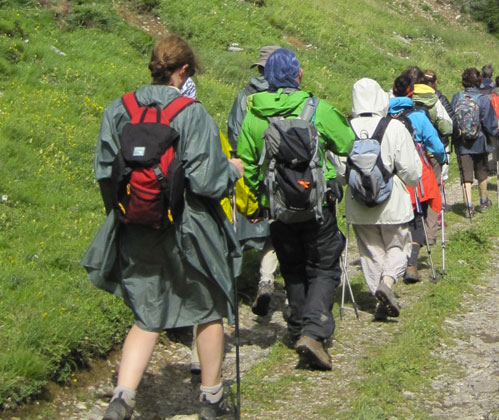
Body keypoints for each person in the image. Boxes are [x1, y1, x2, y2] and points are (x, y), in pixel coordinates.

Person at [83, 35, 242, 420]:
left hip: (136, 225)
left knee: (146, 312)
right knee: (208, 309)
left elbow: (106, 173)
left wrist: (124, 212)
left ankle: (123, 397)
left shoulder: (118, 110)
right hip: (191, 228)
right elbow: (206, 181)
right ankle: (211, 400)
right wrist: (231, 173)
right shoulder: (192, 113)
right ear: (183, 70)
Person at [237, 48, 355, 371]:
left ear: (267, 78)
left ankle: (297, 327)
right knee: (324, 265)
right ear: (298, 75)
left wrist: (261, 200)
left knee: (292, 267)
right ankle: (314, 332)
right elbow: (347, 143)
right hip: (318, 205)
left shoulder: (254, 114)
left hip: (278, 209)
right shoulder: (316, 108)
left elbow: (247, 165)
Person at [344, 77, 422, 320]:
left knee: (370, 251)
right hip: (392, 203)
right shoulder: (394, 127)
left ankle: (378, 295)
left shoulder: (345, 127)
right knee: (399, 245)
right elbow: (411, 172)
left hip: (358, 203)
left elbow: (338, 168)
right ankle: (387, 284)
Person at [226, 45, 281, 318]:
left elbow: (233, 133)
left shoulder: (244, 96)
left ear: (260, 69)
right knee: (276, 228)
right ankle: (266, 278)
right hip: (281, 171)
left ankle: (230, 287)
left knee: (242, 224)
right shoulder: (287, 97)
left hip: (248, 171)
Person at [388, 75, 445, 283]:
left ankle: (392, 259)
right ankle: (411, 263)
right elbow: (436, 145)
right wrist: (442, 158)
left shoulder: (384, 115)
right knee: (417, 217)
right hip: (416, 174)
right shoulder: (419, 116)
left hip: (390, 173)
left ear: (393, 90)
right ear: (411, 92)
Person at [452, 67, 499, 218]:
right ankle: (483, 201)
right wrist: (496, 133)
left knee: (465, 175)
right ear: (478, 81)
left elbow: (452, 118)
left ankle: (468, 206)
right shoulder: (483, 99)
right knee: (482, 172)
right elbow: (489, 122)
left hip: (462, 142)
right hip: (479, 141)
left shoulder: (456, 98)